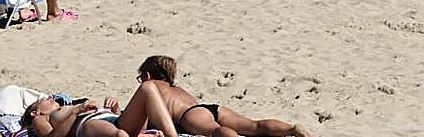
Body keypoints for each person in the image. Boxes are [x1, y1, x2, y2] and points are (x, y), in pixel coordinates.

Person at [133, 55, 311, 137]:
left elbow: (145, 121)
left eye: (141, 78)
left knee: (215, 131)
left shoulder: (152, 89)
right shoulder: (176, 88)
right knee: (253, 125)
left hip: (189, 116)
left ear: (147, 76)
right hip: (209, 108)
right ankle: (291, 129)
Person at [23, 84, 178, 137]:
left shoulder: (67, 106)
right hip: (89, 125)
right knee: (119, 134)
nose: (49, 97)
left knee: (148, 87)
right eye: (43, 100)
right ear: (34, 112)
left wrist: (116, 110)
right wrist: (76, 112)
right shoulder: (40, 119)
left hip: (113, 119)